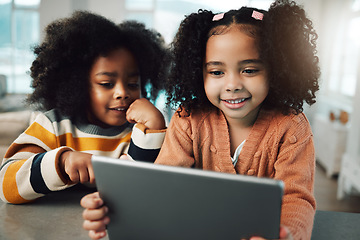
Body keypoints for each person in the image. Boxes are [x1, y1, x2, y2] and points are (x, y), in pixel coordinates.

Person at [81, 0, 320, 239]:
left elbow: (296, 199)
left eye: (249, 70)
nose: (232, 85)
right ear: (199, 72)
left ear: (275, 70)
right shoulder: (188, 119)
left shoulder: (292, 126)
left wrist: (286, 234)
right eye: (217, 72)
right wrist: (117, 207)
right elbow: (163, 185)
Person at [0, 11, 169, 204]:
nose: (123, 92)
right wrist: (61, 163)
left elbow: (141, 188)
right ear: (77, 86)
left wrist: (154, 128)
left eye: (133, 84)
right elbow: (6, 185)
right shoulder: (53, 125)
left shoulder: (140, 132)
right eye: (106, 83)